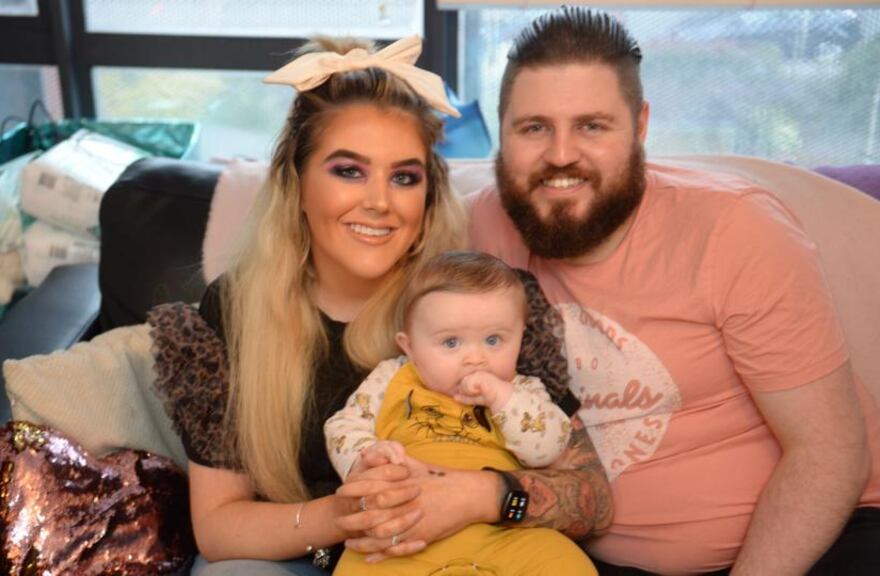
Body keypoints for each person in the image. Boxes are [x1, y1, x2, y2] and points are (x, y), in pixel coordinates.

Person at [148, 34, 606, 576]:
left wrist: (480, 497)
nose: (380, 202)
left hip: (479, 549)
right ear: (297, 182)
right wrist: (345, 515)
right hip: (320, 555)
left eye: (404, 177)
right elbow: (220, 529)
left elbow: (592, 498)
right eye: (349, 170)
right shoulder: (236, 309)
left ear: (428, 194)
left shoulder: (476, 302)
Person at [468, 6, 880, 575]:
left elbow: (831, 454)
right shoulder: (487, 227)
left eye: (592, 125)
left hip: (816, 543)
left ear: (639, 128)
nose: (561, 156)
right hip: (580, 553)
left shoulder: (736, 229)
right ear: (504, 132)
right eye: (535, 127)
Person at [324, 251, 595, 575]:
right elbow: (342, 424)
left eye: (494, 340)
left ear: (520, 338)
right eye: (451, 342)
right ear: (409, 347)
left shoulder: (522, 390)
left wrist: (503, 399)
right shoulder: (393, 377)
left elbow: (549, 447)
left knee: (564, 562)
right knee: (360, 565)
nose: (475, 358)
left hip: (502, 534)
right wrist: (366, 457)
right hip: (405, 533)